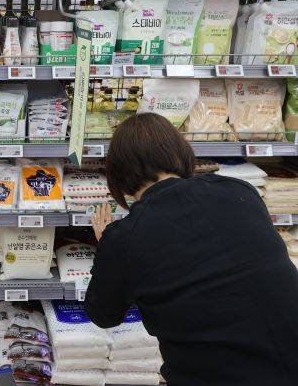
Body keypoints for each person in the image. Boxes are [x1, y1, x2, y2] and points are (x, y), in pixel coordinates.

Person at [85, 113, 298, 386]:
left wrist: (107, 246)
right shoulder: (240, 191)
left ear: (119, 175)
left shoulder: (124, 237)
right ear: (180, 151)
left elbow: (103, 315)